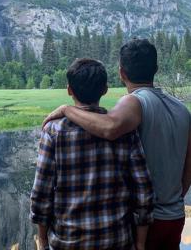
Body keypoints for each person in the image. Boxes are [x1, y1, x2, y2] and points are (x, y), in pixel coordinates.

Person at [43, 39, 191, 250]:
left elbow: (109, 128)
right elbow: (188, 166)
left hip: (145, 221)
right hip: (174, 216)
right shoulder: (182, 109)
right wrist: (174, 199)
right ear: (155, 69)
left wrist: (67, 110)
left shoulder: (133, 101)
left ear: (121, 73)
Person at [30, 58, 154, 250]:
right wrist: (140, 243)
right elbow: (143, 191)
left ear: (69, 90)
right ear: (104, 89)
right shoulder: (125, 130)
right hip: (117, 241)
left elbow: (41, 193)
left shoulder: (53, 131)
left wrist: (43, 240)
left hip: (67, 243)